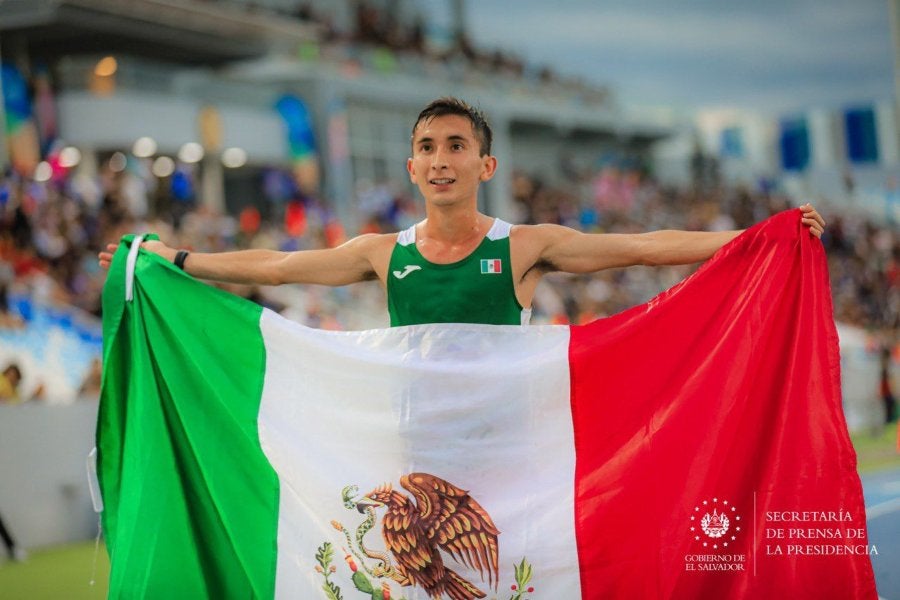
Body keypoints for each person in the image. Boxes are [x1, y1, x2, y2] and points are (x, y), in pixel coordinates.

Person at [99, 97, 825, 326]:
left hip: (513, 461)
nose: (440, 159)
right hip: (415, 459)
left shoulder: (526, 245)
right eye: (426, 147)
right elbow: (276, 263)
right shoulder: (383, 253)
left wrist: (757, 234)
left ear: (486, 165)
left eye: (456, 145)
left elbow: (644, 245)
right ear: (411, 167)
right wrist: (176, 259)